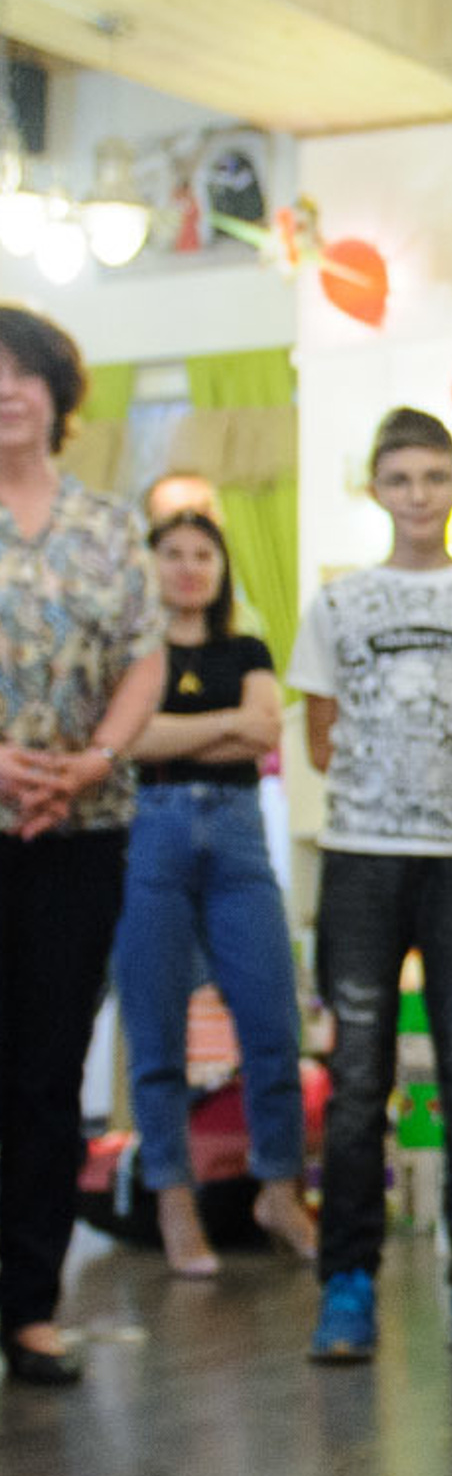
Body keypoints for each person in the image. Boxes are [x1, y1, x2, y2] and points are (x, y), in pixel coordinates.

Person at [288, 406, 452, 1364]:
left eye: (434, 477)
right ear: (375, 489)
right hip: (359, 860)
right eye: (399, 479)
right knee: (358, 1079)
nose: (417, 496)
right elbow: (318, 733)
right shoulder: (340, 605)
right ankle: (346, 1285)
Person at [0, 305, 165, 1387]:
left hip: (81, 826)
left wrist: (94, 759)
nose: (7, 390)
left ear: (58, 393)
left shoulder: (109, 523)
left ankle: (28, 1307)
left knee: (46, 1070)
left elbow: (144, 660)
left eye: (24, 374)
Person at [110, 509, 317, 1276]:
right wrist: (216, 726)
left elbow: (266, 733)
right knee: (155, 1030)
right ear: (151, 565)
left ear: (223, 568)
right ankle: (172, 1199)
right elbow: (127, 740)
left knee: (272, 1024)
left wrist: (174, 728)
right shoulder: (134, 654)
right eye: (174, 554)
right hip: (149, 831)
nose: (191, 568)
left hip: (236, 837)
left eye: (205, 554)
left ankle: (280, 1190)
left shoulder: (248, 647)